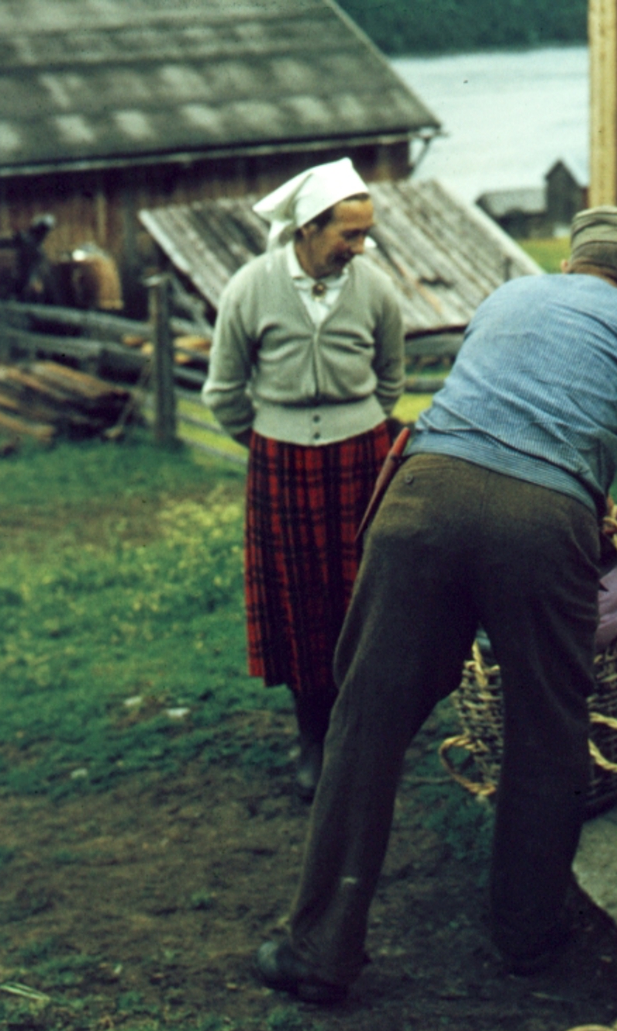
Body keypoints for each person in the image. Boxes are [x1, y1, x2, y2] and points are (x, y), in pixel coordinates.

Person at [255, 204, 617, 1003]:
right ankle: (526, 935)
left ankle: (318, 947)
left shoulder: (507, 296)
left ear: (568, 265)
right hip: (544, 520)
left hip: (422, 493)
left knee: (368, 714)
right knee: (547, 724)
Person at [202, 156, 404, 801]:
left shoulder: (375, 289)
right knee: (300, 601)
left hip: (359, 458)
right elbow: (224, 391)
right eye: (349, 234)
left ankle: (360, 734)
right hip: (282, 462)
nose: (360, 246)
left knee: (361, 595)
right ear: (309, 229)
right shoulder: (251, 287)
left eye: (365, 233)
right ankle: (312, 737)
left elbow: (392, 375)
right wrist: (269, 444)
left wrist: (362, 423)